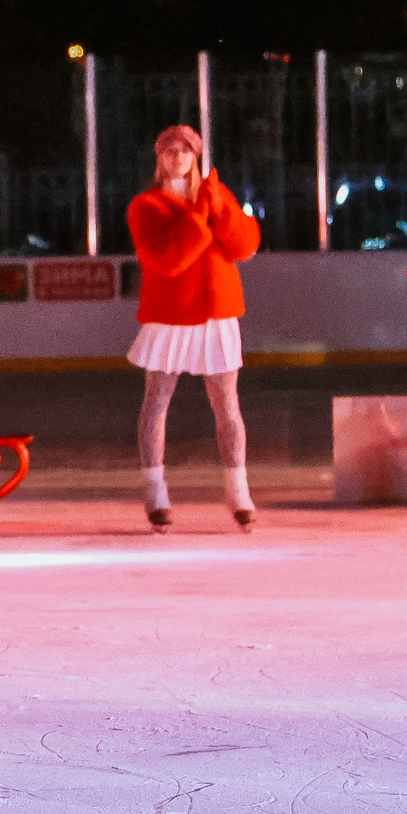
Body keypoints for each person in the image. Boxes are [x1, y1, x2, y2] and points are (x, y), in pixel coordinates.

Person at [124, 126, 262, 532]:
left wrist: (220, 209)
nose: (178, 157)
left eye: (185, 150)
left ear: (196, 156)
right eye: (170, 150)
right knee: (157, 400)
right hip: (169, 315)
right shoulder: (146, 206)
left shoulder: (217, 196)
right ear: (159, 158)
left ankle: (239, 491)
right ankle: (155, 491)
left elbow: (244, 247)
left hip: (218, 312)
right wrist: (200, 216)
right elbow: (166, 260)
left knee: (227, 403)